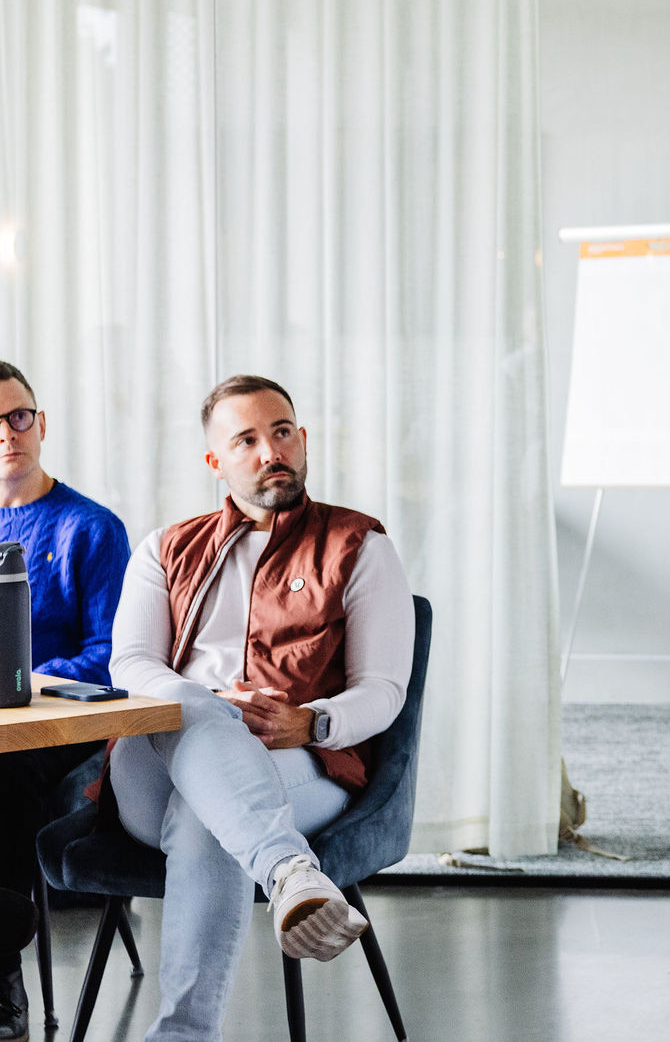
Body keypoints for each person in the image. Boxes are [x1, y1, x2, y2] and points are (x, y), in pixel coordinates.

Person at [107, 374, 414, 1042]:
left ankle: (182, 1035)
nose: (270, 449)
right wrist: (206, 706)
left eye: (281, 432)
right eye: (246, 439)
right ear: (216, 462)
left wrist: (315, 721)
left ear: (302, 442)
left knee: (207, 816)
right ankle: (290, 870)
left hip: (295, 764)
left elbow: (384, 688)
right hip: (153, 768)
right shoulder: (165, 549)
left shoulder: (358, 546)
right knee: (187, 707)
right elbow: (130, 666)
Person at [0, 361, 130, 1041]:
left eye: (18, 416)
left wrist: (27, 680)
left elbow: (113, 655)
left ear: (40, 424)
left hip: (60, 728)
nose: (7, 433)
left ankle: (0, 976)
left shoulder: (91, 529)